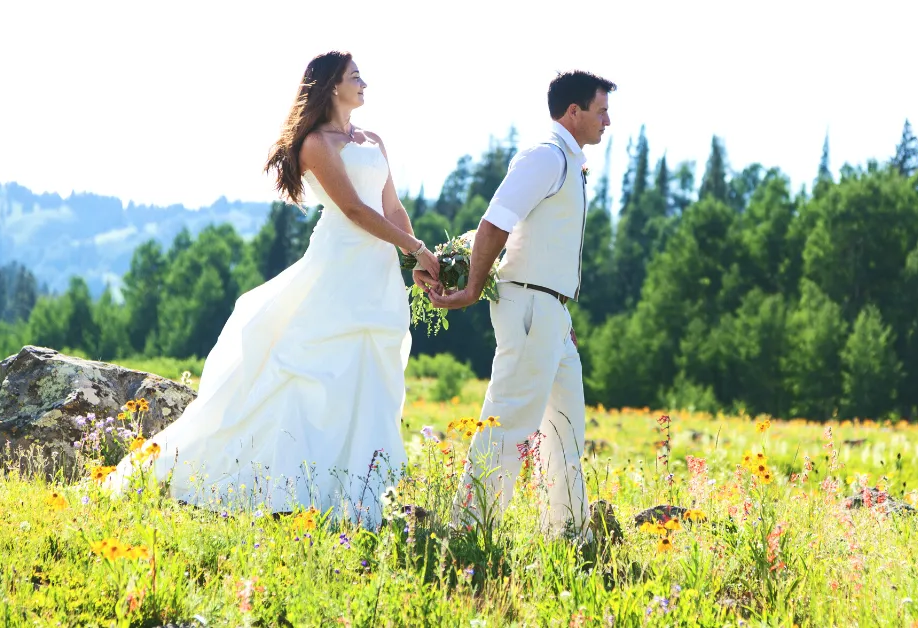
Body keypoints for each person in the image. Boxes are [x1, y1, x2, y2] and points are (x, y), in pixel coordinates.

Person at [104, 51, 440, 525]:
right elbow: (356, 211)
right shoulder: (316, 144)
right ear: (331, 87)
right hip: (339, 267)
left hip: (378, 271)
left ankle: (359, 493)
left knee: (368, 373)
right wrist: (417, 248)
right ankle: (289, 487)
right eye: (355, 77)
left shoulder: (374, 139)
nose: (365, 83)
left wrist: (414, 261)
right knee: (312, 372)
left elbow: (392, 207)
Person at [426, 70, 615, 539]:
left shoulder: (567, 160)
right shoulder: (545, 157)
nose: (608, 121)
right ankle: (467, 533)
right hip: (529, 307)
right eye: (601, 110)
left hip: (551, 314)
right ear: (573, 112)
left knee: (567, 429)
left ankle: (569, 533)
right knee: (509, 422)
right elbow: (495, 222)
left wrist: (560, 311)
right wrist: (471, 287)